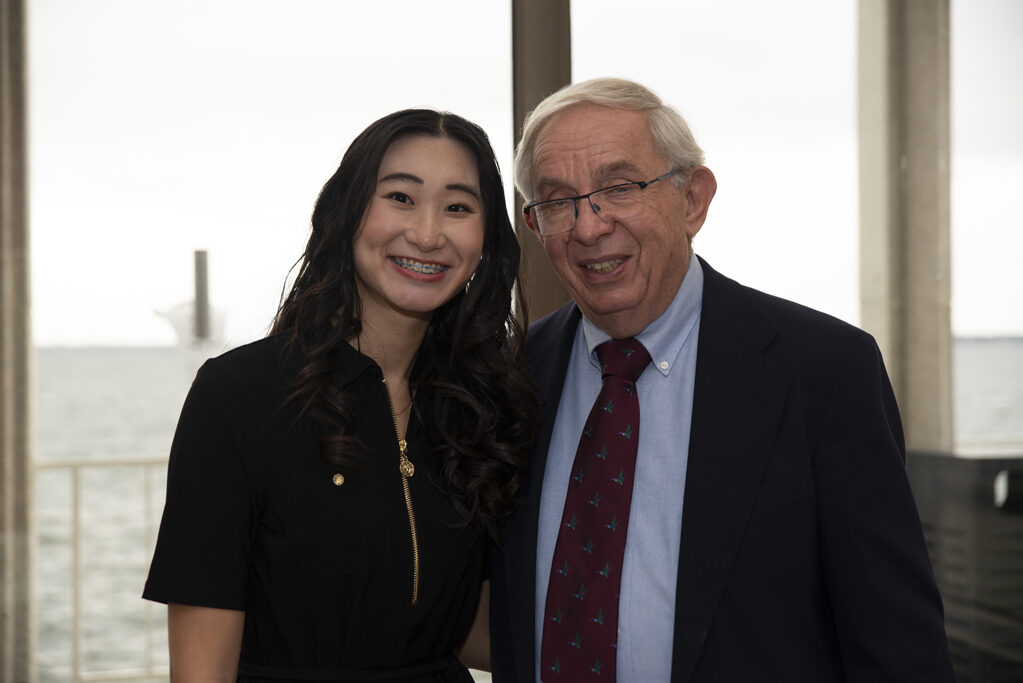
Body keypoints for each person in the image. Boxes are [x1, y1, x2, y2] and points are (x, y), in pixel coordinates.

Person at [489, 77, 956, 682]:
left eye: (619, 187)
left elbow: (897, 642)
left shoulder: (822, 369)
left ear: (693, 200)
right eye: (557, 201)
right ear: (535, 226)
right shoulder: (509, 376)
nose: (588, 227)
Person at [144, 109, 537, 682]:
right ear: (347, 212)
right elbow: (202, 669)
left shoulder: (484, 404)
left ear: (486, 239)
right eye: (400, 197)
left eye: (458, 206)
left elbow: (467, 625)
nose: (427, 233)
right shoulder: (238, 394)